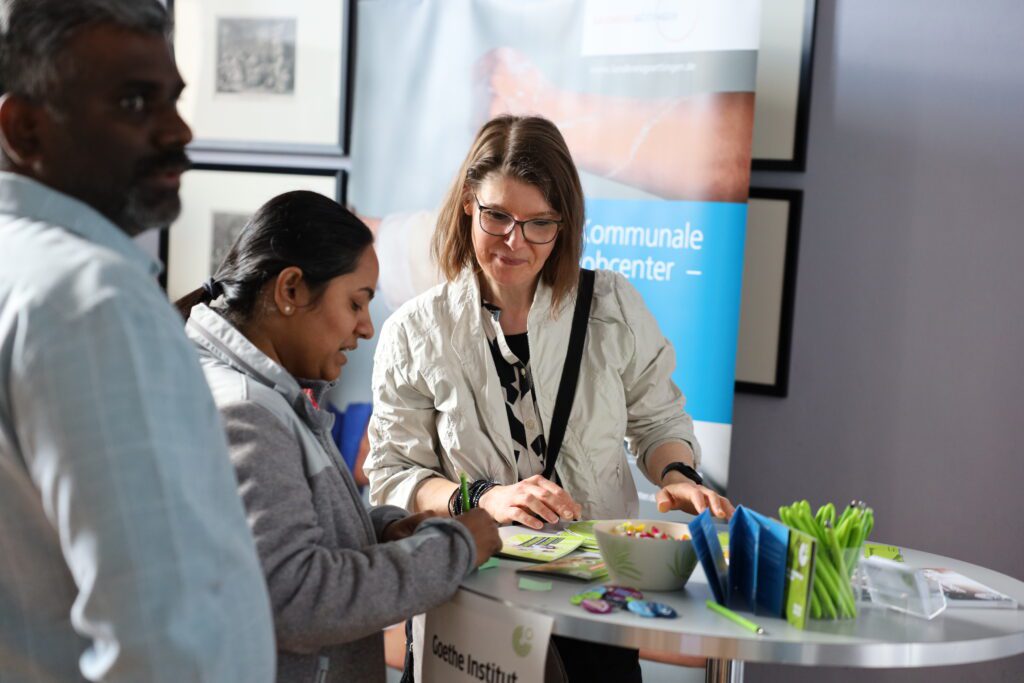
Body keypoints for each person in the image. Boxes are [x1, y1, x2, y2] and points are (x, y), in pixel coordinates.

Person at [365, 115, 734, 681]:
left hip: (594, 610)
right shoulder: (416, 331)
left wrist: (678, 476)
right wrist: (485, 498)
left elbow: (658, 420)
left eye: (539, 223)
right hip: (470, 605)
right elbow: (395, 474)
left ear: (564, 225)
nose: (515, 241)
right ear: (468, 203)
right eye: (498, 217)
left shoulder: (611, 305)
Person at [0, 1, 275, 681]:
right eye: (133, 101)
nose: (177, 129)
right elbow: (161, 645)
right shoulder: (90, 298)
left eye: (174, 99)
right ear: (24, 127)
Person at [174, 190, 502, 683]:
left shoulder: (262, 394)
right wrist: (451, 550)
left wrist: (385, 529)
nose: (366, 328)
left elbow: (277, 543)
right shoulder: (245, 411)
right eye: (356, 303)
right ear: (289, 291)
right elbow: (298, 597)